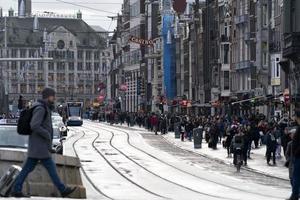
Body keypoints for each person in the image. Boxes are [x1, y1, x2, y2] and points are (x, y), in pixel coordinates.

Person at [12, 88, 76, 198]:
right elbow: (34, 125)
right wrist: (46, 134)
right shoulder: (41, 108)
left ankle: (16, 189)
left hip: (39, 146)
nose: (54, 98)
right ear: (48, 97)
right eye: (53, 96)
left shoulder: (43, 107)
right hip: (39, 146)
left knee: (28, 168)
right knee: (50, 168)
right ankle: (62, 189)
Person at [288, 109, 300, 200]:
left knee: (296, 176)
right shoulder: (298, 127)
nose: (294, 118)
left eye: (295, 116)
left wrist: (296, 152)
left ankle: (295, 195)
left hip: (299, 156)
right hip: (297, 156)